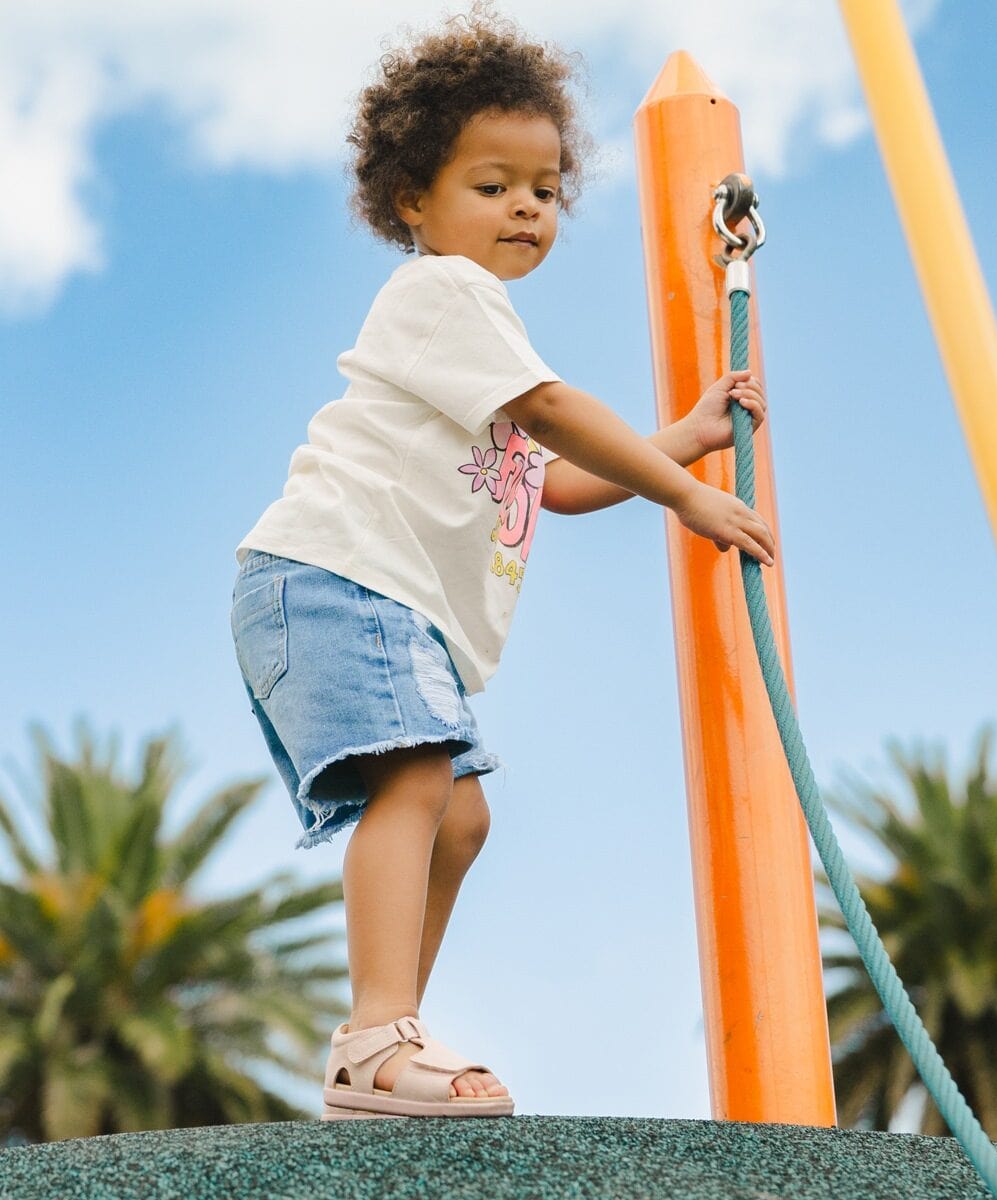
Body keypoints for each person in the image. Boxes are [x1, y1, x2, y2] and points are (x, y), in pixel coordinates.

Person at [228, 6, 773, 1122]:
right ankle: (381, 1037)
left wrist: (687, 436)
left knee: (459, 816)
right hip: (338, 576)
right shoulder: (447, 298)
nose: (526, 206)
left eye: (544, 187)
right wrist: (688, 494)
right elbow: (553, 411)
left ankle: (370, 1050)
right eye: (492, 184)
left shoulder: (482, 343)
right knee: (419, 779)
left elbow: (553, 479)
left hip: (368, 598)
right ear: (412, 203)